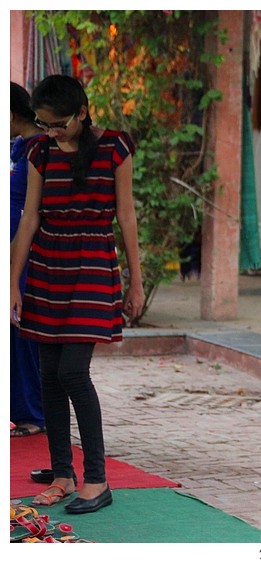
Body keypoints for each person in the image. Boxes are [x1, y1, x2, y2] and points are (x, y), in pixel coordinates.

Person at [9, 74, 145, 514]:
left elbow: (126, 217)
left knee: (72, 372)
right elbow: (29, 219)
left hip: (92, 263)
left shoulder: (115, 148)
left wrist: (136, 281)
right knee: (50, 374)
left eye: (58, 124)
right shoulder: (38, 151)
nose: (51, 132)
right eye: (43, 124)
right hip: (48, 264)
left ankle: (98, 479)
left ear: (83, 112)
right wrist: (11, 281)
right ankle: (63, 473)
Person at [10, 82, 46, 438]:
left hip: (24, 249)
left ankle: (33, 413)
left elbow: (33, 211)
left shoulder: (39, 150)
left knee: (21, 330)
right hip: (12, 245)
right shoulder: (20, 148)